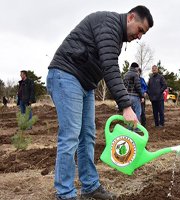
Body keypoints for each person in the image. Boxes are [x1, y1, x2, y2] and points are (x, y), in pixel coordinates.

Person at [46, 5, 153, 200]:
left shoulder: (115, 36)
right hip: (66, 75)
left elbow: (109, 68)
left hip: (84, 83)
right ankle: (64, 194)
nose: (139, 37)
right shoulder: (109, 25)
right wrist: (126, 106)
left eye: (143, 34)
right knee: (70, 136)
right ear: (131, 18)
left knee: (87, 136)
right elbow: (110, 68)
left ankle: (89, 186)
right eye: (140, 30)